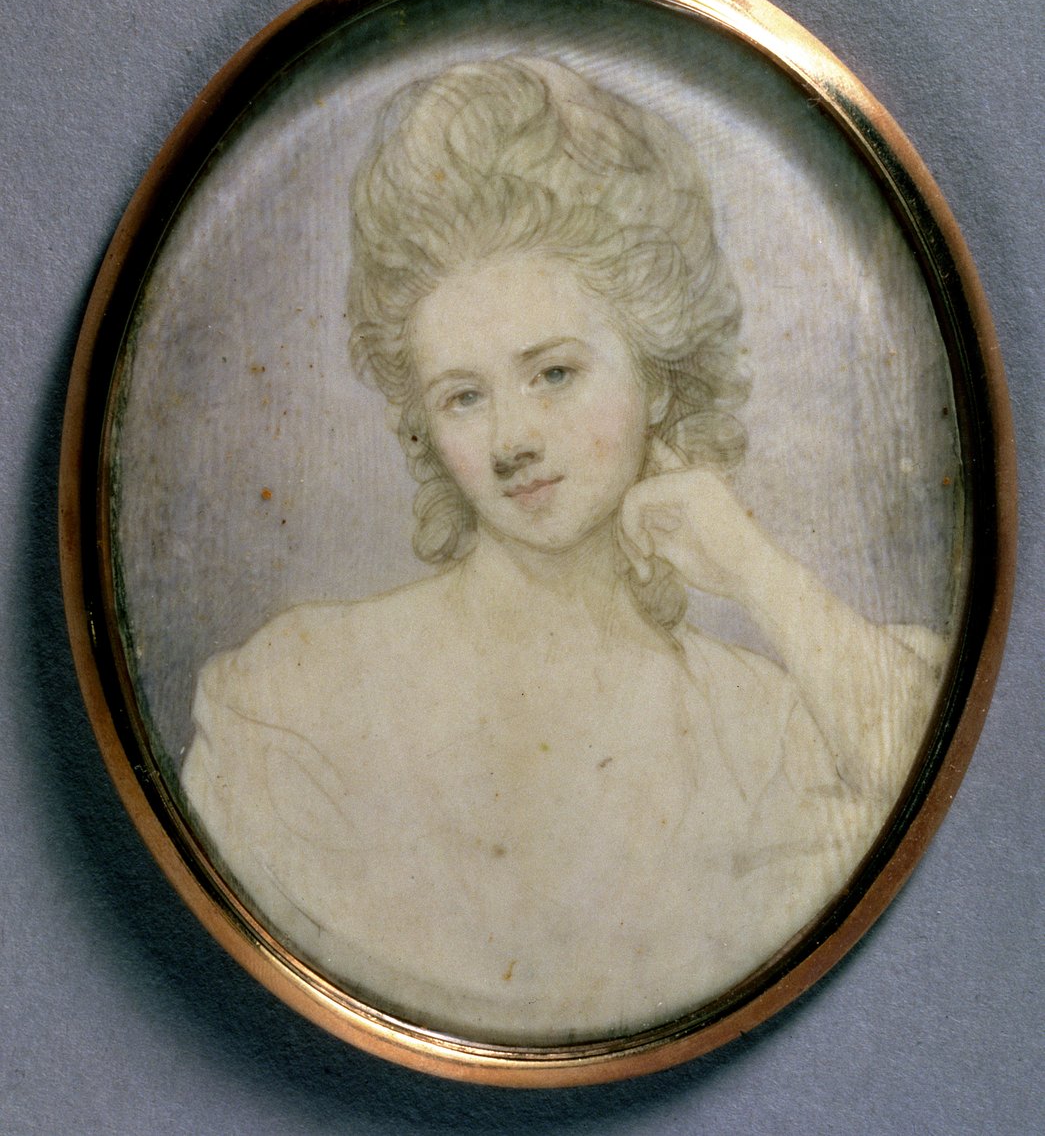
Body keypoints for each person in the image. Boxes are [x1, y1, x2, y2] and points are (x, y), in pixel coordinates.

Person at [181, 58, 943, 1045]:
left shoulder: (754, 725)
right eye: (464, 396)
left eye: (552, 374)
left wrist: (758, 571)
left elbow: (929, 782)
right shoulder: (300, 691)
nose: (511, 441)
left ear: (655, 376)